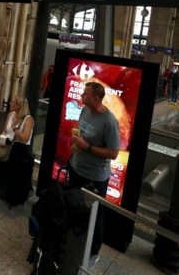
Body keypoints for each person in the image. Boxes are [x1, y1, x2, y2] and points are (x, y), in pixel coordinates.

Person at [68, 82, 120, 269]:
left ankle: (93, 251)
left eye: (86, 94)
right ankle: (74, 240)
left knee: (95, 215)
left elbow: (113, 153)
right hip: (76, 167)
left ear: (96, 99)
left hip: (95, 176)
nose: (82, 96)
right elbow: (82, 134)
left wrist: (87, 147)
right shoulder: (85, 110)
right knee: (74, 206)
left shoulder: (109, 122)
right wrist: (76, 144)